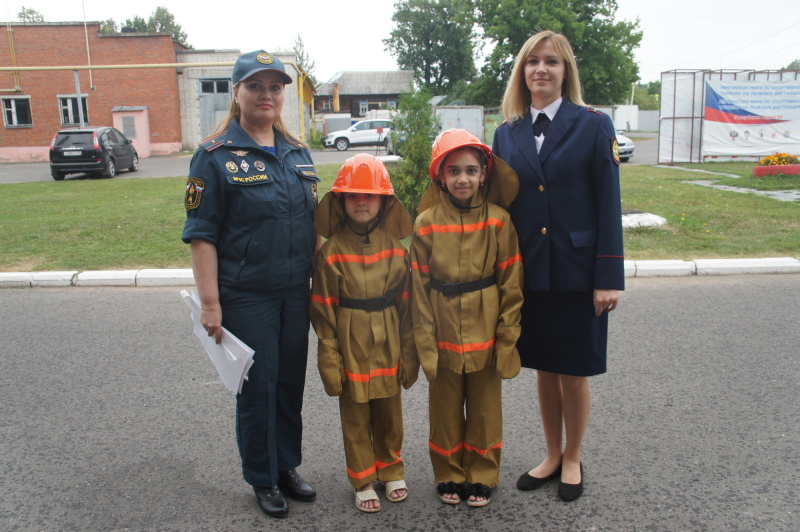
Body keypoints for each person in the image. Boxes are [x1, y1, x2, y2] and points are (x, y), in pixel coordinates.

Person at [181, 50, 319, 519]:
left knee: (289, 384)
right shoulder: (214, 156)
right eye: (256, 86)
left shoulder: (298, 152)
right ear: (236, 92)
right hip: (246, 294)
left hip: (294, 292)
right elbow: (201, 235)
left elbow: (311, 225)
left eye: (275, 87)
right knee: (257, 387)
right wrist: (210, 303)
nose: (266, 95)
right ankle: (262, 477)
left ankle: (286, 466)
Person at [492, 30, 625, 502]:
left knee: (574, 369)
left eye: (551, 61)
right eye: (532, 62)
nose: (541, 70)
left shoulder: (592, 125)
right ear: (522, 71)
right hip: (529, 271)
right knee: (545, 367)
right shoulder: (506, 134)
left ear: (566, 70)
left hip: (578, 269)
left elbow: (609, 203)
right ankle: (550, 454)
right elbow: (502, 208)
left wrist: (608, 277)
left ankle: (573, 456)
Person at [410, 129, 523, 508]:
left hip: (487, 329)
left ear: (484, 174)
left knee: (486, 408)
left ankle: (483, 473)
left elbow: (511, 283)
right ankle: (448, 474)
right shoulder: (425, 223)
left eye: (471, 170)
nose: (463, 179)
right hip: (442, 331)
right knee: (443, 408)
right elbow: (419, 289)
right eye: (453, 170)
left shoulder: (499, 221)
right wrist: (424, 341)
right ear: (440, 175)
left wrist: (508, 338)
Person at [310, 153, 418, 513]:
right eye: (353, 195)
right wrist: (330, 357)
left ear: (384, 201)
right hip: (349, 338)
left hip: (388, 339)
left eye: (369, 195)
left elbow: (407, 308)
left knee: (390, 411)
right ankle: (362, 477)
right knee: (355, 413)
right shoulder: (330, 253)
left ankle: (391, 469)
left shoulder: (396, 251)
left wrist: (409, 351)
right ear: (340, 199)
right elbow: (323, 310)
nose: (361, 201)